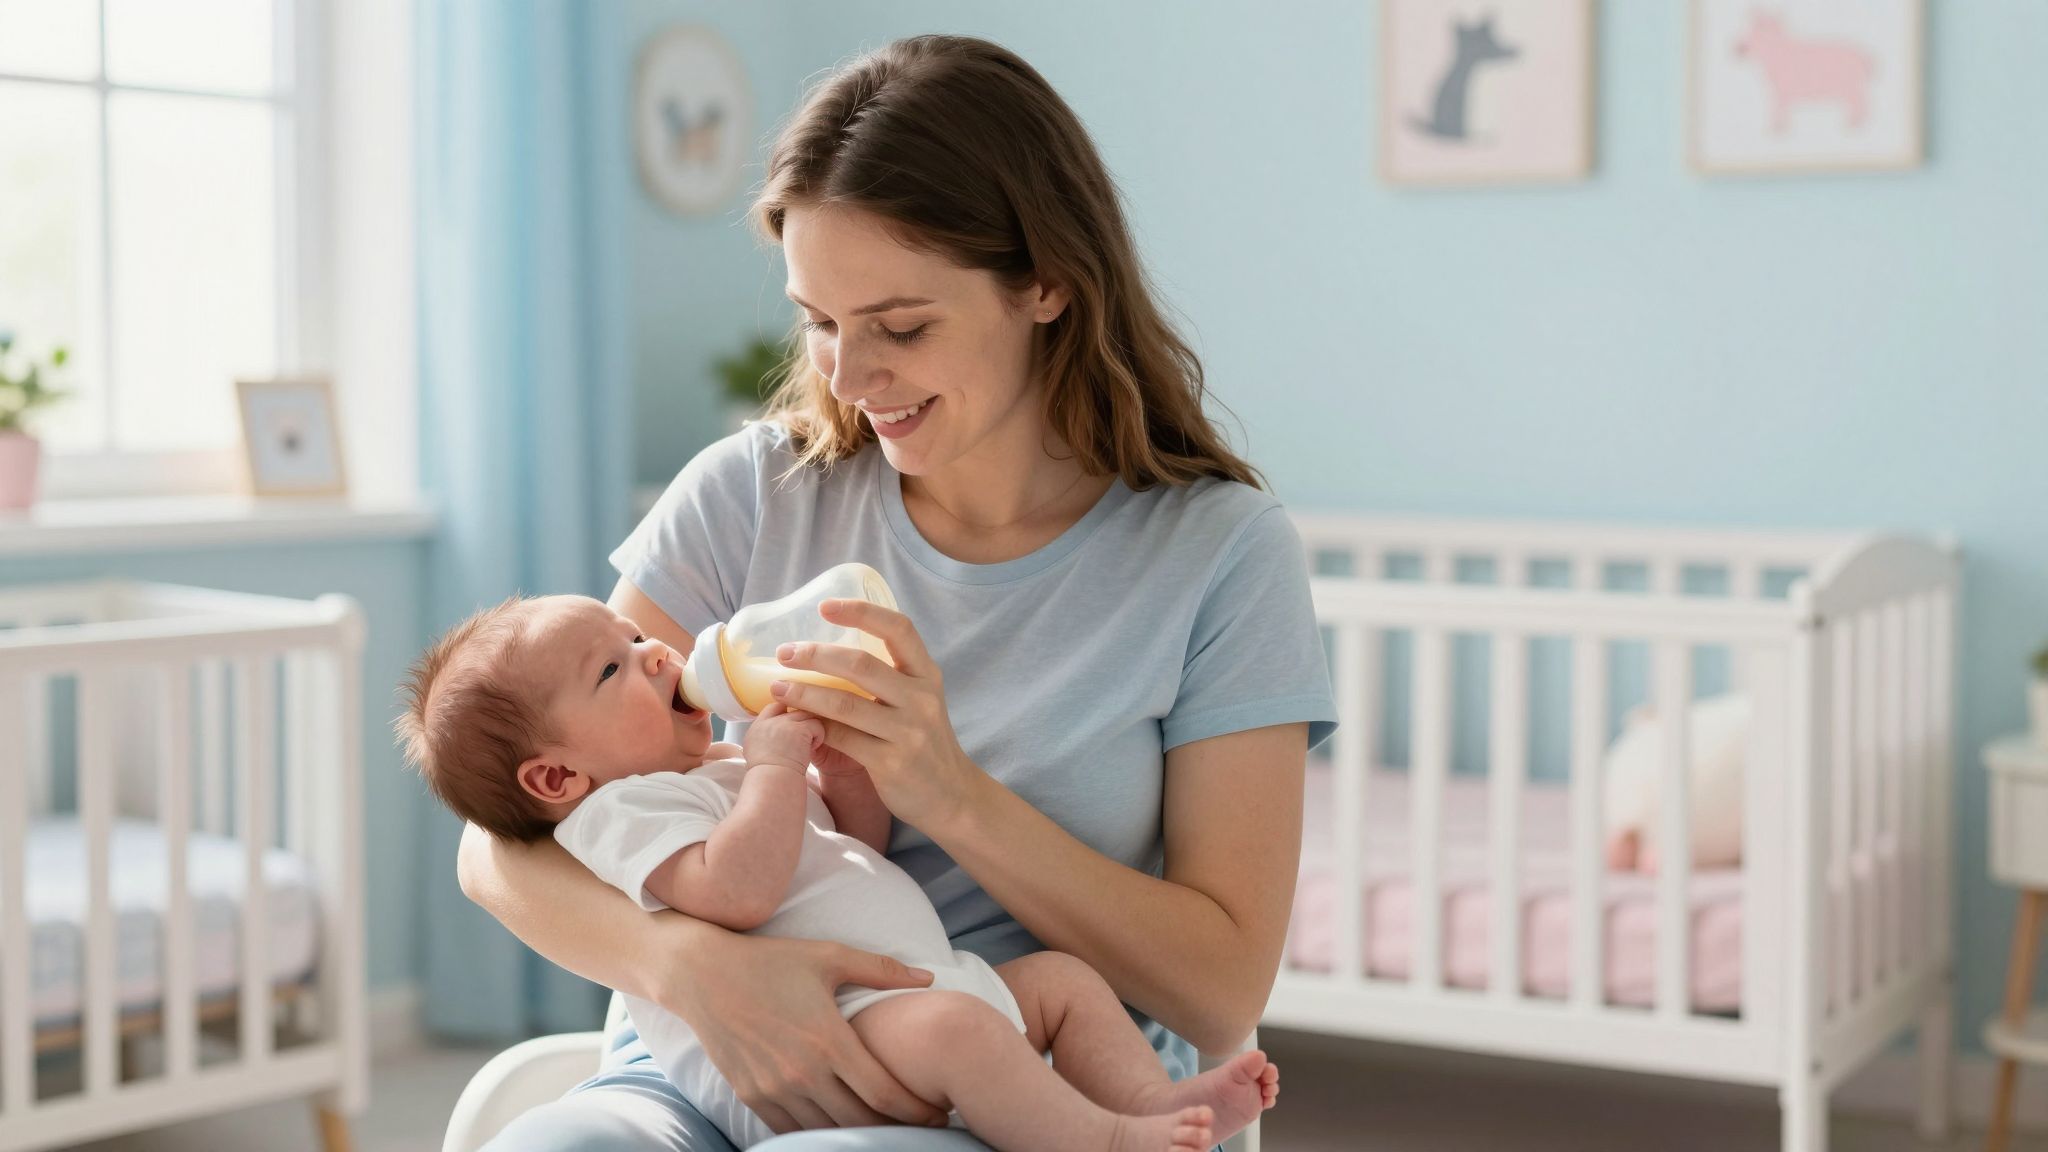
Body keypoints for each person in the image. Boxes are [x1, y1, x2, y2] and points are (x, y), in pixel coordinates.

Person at [456, 33, 1335, 1151]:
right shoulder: (751, 492)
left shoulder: (1215, 554)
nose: (846, 376)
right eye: (818, 321)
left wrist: (947, 789)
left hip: (1003, 1079)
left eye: (901, 327)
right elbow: (500, 842)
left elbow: (1218, 993)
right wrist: (697, 970)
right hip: (695, 1063)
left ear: (1047, 283)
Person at [402, 594, 1278, 1151]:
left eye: (635, 635)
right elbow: (734, 891)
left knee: (1064, 982)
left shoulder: (713, 772)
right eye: (613, 666)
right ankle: (1103, 1143)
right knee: (961, 1037)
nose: (658, 653)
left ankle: (1150, 1105)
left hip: (914, 993)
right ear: (558, 779)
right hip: (816, 1050)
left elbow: (854, 851)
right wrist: (778, 769)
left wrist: (848, 780)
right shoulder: (619, 817)